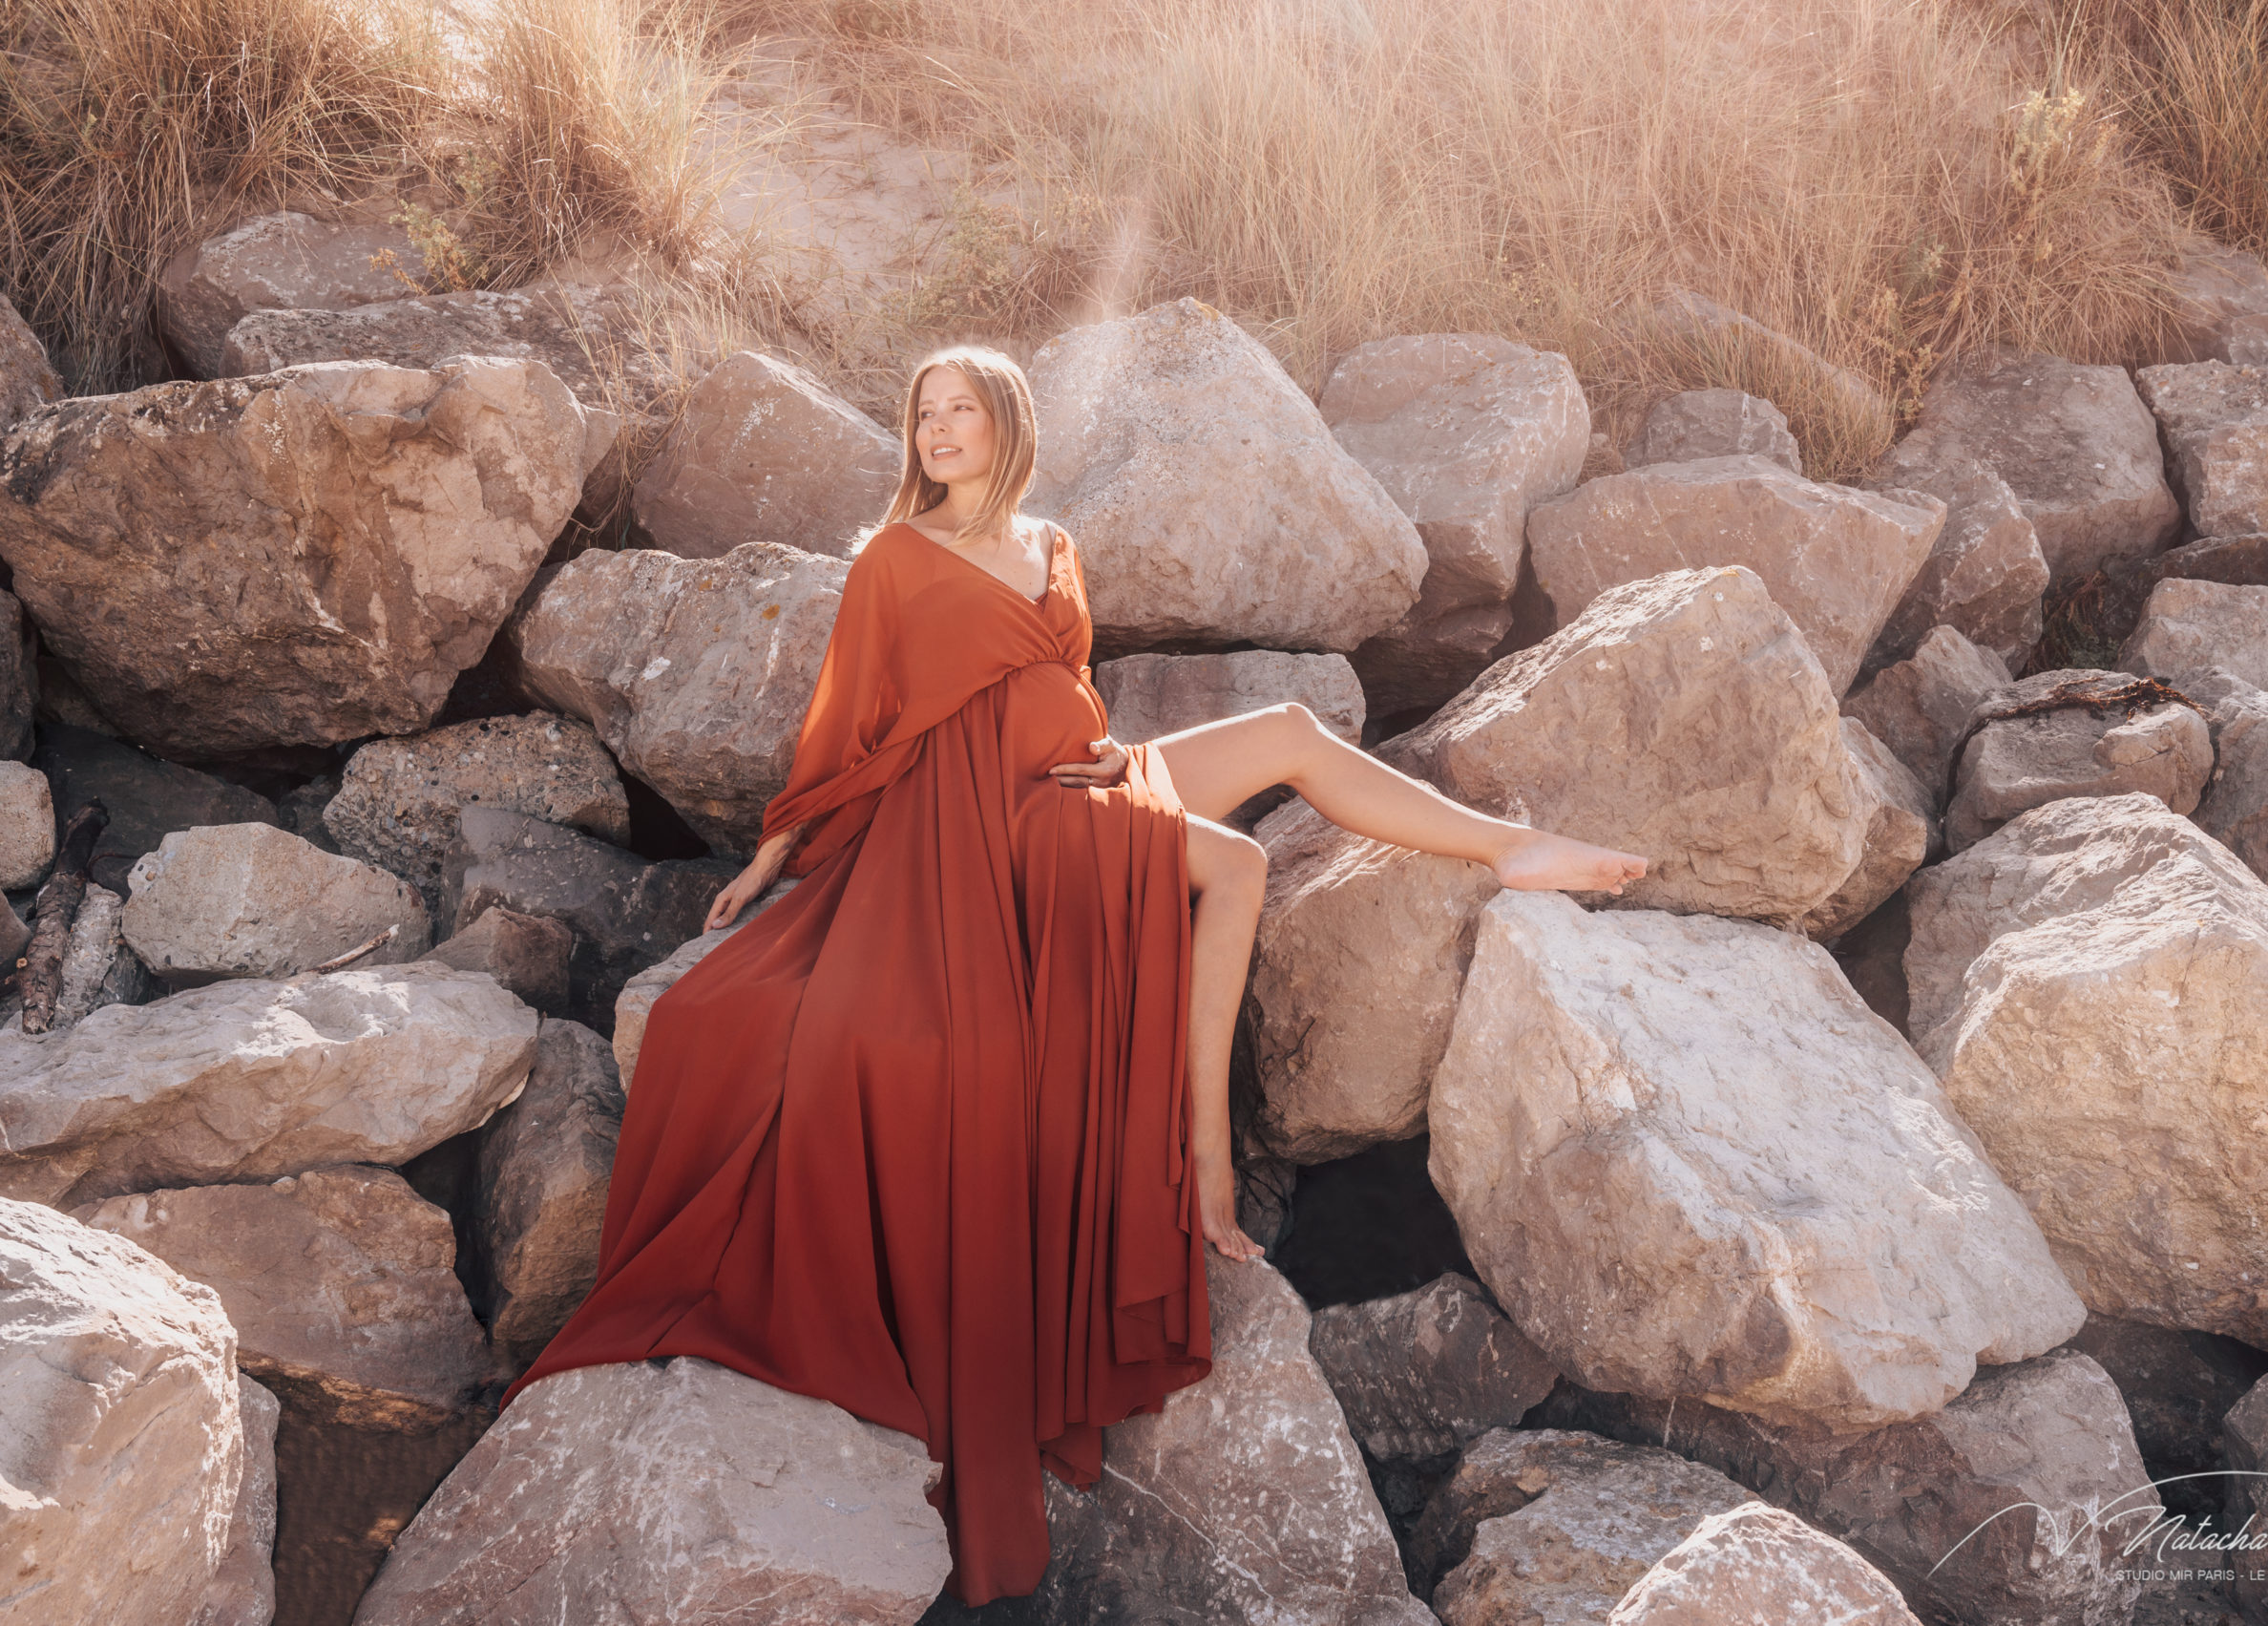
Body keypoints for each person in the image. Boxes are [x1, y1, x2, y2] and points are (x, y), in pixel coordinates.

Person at [501, 343, 1648, 1606]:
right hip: (978, 820)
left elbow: (1068, 692)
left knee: (1287, 739)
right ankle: (1208, 1172)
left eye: (958, 411)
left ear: (1006, 424)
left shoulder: (1051, 544)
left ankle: (1514, 850)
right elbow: (848, 727)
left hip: (1080, 782)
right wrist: (770, 862)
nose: (937, 430)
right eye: (922, 412)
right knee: (1234, 871)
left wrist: (1109, 763)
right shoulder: (892, 557)